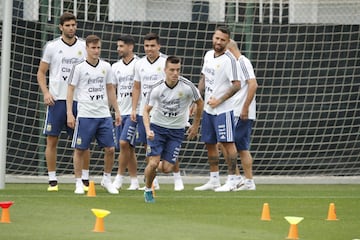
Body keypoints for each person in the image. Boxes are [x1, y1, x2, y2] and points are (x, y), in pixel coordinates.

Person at [37, 12, 91, 192]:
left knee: (84, 141)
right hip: (57, 100)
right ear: (61, 27)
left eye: (73, 25)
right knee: (52, 140)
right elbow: (41, 73)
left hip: (79, 100)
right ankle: (52, 179)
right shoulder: (52, 46)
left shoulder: (84, 46)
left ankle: (84, 178)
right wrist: (46, 93)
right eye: (67, 25)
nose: (71, 28)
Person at [142, 56, 204, 203]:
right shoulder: (157, 88)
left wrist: (195, 125)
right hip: (157, 128)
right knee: (153, 163)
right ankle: (148, 189)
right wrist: (147, 130)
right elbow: (145, 111)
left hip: (176, 131)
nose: (175, 73)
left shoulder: (188, 87)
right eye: (171, 70)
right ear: (165, 70)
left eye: (178, 70)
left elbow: (200, 104)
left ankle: (149, 173)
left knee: (167, 168)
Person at [66, 35, 121, 194]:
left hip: (103, 115)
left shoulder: (106, 66)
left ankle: (106, 179)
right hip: (85, 115)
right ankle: (78, 182)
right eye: (93, 48)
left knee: (110, 148)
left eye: (98, 48)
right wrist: (70, 113)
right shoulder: (79, 68)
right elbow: (70, 90)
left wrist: (116, 111)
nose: (96, 51)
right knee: (80, 149)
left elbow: (110, 88)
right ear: (87, 49)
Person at [131, 32, 184, 191]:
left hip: (164, 110)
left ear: (159, 46)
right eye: (146, 46)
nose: (149, 49)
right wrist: (134, 108)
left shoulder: (166, 62)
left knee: (170, 146)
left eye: (152, 46)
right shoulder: (139, 64)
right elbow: (137, 87)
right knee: (149, 146)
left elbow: (177, 83)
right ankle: (153, 180)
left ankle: (177, 178)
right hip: (145, 111)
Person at [194, 26, 244, 192]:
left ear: (228, 42)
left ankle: (233, 179)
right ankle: (214, 179)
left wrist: (220, 100)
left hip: (224, 110)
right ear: (212, 38)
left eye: (222, 40)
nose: (218, 42)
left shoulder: (230, 60)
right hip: (208, 110)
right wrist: (197, 99)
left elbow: (237, 85)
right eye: (217, 38)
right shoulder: (208, 55)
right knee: (209, 143)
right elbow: (204, 77)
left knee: (227, 144)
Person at [227, 39, 258, 191]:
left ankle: (247, 181)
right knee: (228, 145)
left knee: (238, 147)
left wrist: (245, 108)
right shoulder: (231, 66)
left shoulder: (242, 62)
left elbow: (253, 84)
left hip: (241, 112)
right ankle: (240, 179)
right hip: (233, 111)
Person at [111, 35, 141, 190]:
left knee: (124, 143)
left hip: (134, 112)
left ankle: (119, 178)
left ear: (131, 47)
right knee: (128, 147)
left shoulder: (139, 64)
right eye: (118, 46)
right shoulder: (115, 67)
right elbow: (113, 90)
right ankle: (135, 181)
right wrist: (116, 111)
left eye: (121, 46)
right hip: (120, 112)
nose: (118, 49)